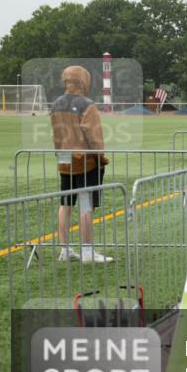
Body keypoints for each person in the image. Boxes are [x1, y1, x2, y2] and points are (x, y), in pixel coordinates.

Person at [50, 65, 113, 263]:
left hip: (63, 158)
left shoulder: (56, 104)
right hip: (85, 161)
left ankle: (65, 249)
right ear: (83, 80)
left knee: (65, 204)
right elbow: (93, 136)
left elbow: (56, 135)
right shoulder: (87, 104)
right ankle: (87, 251)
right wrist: (100, 156)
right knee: (86, 205)